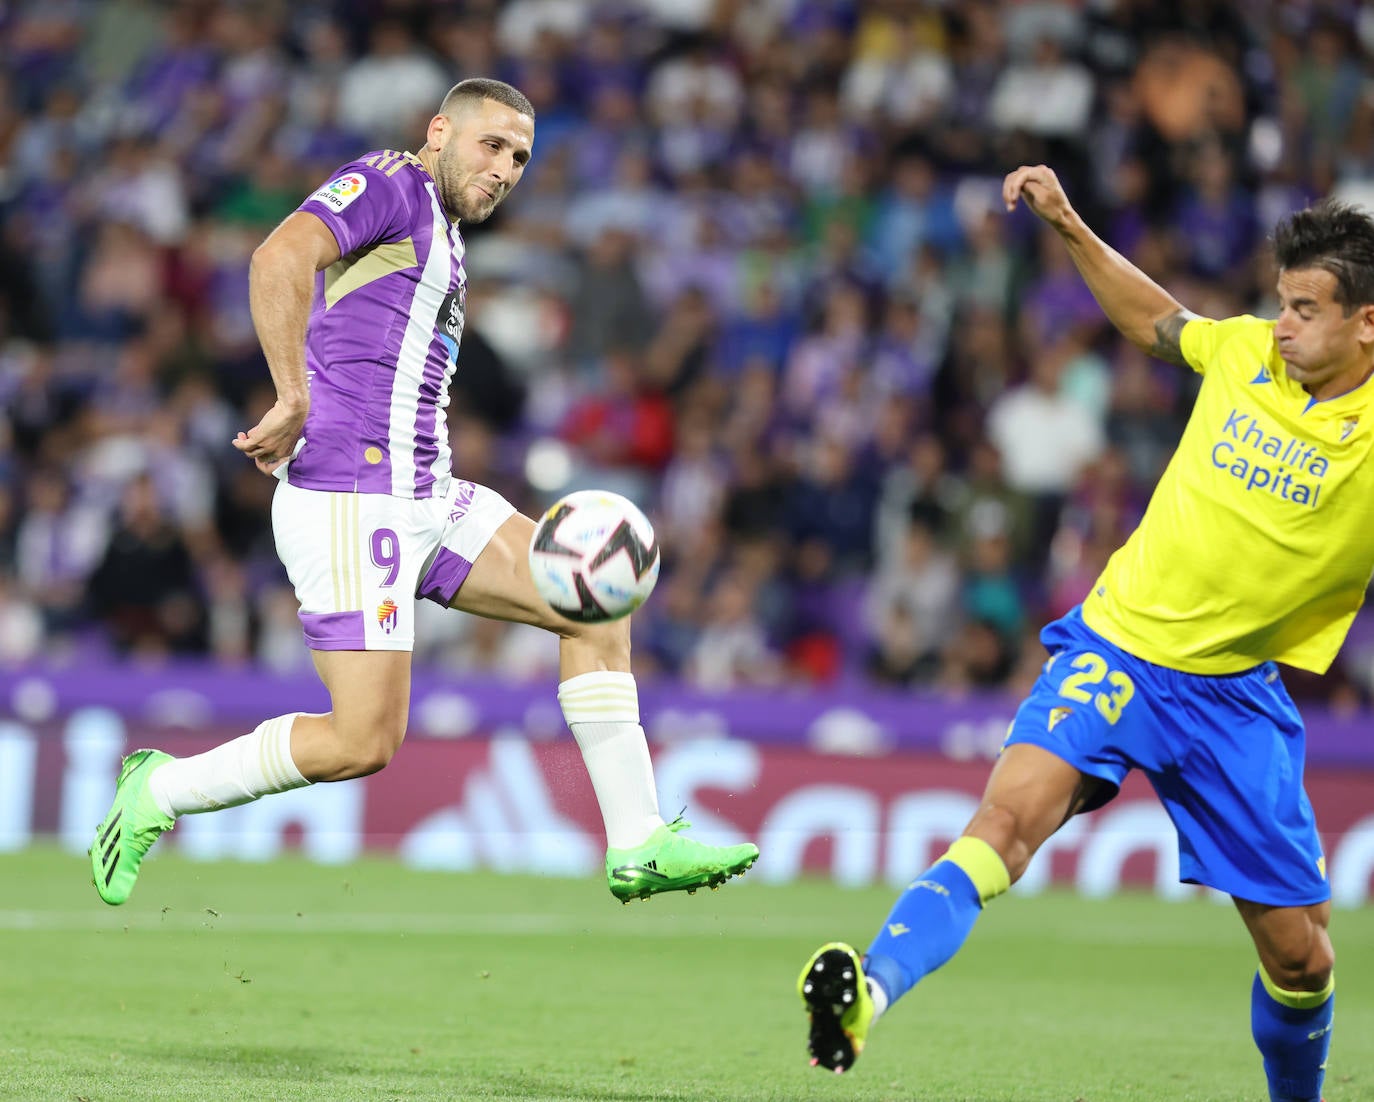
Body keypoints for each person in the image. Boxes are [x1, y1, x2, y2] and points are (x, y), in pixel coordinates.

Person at [90, 79, 758, 908]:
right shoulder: (391, 182)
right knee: (363, 741)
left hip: (427, 495)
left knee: (594, 600)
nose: (507, 168)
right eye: (492, 145)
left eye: (520, 157)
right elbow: (278, 256)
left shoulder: (443, 229)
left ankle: (638, 842)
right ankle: (160, 790)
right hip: (349, 495)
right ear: (439, 131)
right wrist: (291, 394)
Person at [798, 164, 1374, 1102]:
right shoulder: (1243, 355)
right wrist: (1068, 223)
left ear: (1367, 323)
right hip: (1117, 648)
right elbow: (1156, 319)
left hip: (1233, 696)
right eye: (1281, 304)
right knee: (1004, 824)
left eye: (1306, 309)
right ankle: (868, 991)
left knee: (1301, 959)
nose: (1282, 326)